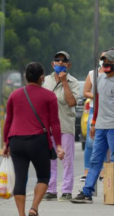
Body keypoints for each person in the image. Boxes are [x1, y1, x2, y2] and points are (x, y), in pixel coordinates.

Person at [2, 62, 65, 216]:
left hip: (16, 141)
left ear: (25, 76)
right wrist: (58, 145)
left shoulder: (14, 95)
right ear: (42, 78)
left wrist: (6, 142)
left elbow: (8, 120)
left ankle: (21, 214)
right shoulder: (49, 96)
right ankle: (34, 208)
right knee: (43, 176)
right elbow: (54, 123)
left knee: (20, 178)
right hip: (38, 141)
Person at [70, 50, 114, 203]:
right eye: (104, 61)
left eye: (109, 62)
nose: (106, 64)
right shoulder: (100, 79)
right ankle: (87, 192)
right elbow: (97, 104)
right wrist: (94, 123)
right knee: (95, 161)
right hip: (100, 126)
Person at [42, 51, 79, 202]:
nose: (61, 63)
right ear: (53, 63)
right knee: (49, 159)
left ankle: (66, 191)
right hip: (47, 126)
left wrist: (64, 82)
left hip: (65, 125)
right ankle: (50, 190)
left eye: (64, 61)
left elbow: (71, 102)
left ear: (68, 65)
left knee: (67, 159)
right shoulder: (45, 80)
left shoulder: (73, 82)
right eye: (58, 60)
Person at [81, 50, 107, 182]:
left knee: (106, 142)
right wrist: (98, 97)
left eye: (106, 58)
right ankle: (87, 170)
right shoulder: (92, 74)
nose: (104, 60)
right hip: (94, 109)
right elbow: (85, 92)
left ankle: (103, 171)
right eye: (102, 58)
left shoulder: (113, 74)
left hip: (108, 111)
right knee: (90, 142)